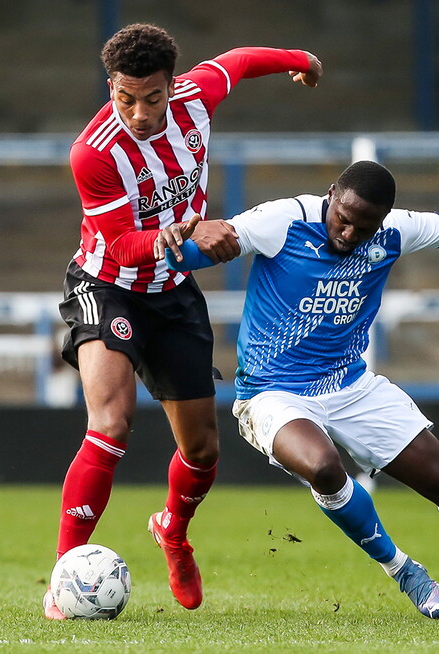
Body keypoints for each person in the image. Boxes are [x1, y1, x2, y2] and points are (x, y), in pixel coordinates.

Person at [160, 160, 439, 619]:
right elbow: (199, 251)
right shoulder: (282, 220)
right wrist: (175, 242)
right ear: (331, 196)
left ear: (382, 220)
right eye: (343, 220)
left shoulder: (395, 231)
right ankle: (404, 571)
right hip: (272, 392)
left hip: (352, 385)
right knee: (323, 467)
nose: (349, 235)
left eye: (364, 227)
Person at [47, 23, 322, 619]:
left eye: (152, 97)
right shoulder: (93, 152)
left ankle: (172, 530)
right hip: (107, 286)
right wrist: (186, 231)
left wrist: (300, 57)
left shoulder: (198, 97)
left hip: (173, 294)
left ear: (173, 85)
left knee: (201, 451)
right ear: (111, 87)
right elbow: (119, 246)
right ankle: (63, 582)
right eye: (125, 98)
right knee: (112, 423)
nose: (139, 113)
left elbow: (243, 58)